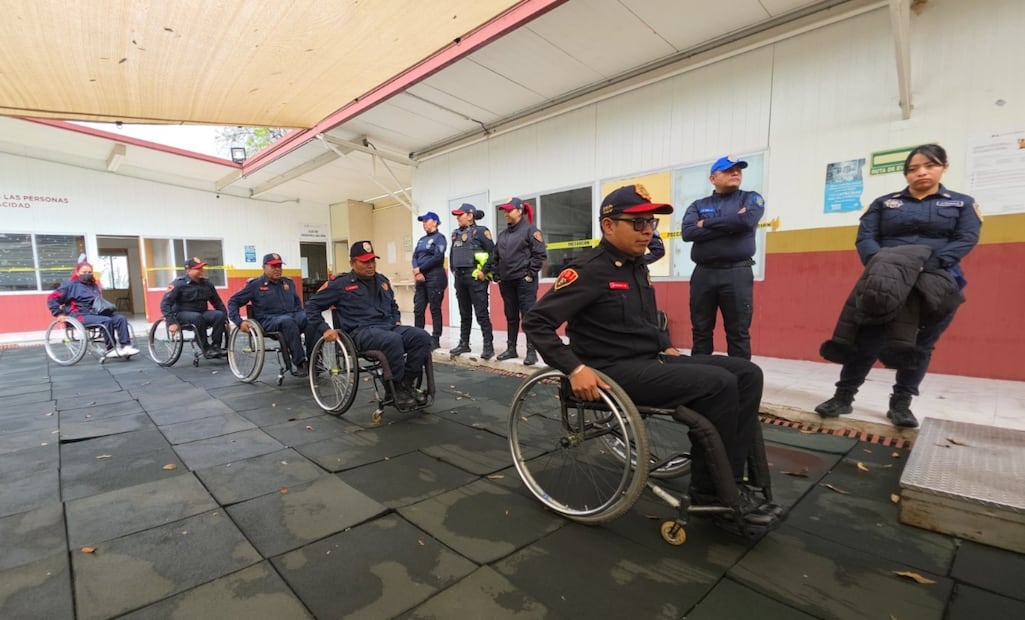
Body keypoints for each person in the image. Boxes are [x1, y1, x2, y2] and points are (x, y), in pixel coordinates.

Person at [523, 184, 781, 532]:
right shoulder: (588, 269)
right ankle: (712, 493)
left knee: (747, 372)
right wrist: (574, 368)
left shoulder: (635, 265)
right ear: (608, 225)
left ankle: (734, 478)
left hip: (647, 359)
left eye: (652, 223)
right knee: (718, 384)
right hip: (609, 371)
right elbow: (537, 322)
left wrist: (665, 343)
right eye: (637, 222)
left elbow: (645, 317)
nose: (648, 230)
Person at [815, 144, 982, 428]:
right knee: (866, 339)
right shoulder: (884, 203)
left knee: (921, 345)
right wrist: (882, 266)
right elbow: (866, 238)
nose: (921, 173)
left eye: (929, 166)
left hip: (936, 281)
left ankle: (901, 404)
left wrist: (926, 266)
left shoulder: (962, 203)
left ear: (944, 167)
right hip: (885, 280)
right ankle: (843, 397)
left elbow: (966, 238)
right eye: (913, 168)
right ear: (906, 173)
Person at [305, 241, 432, 409]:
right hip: (361, 331)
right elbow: (311, 306)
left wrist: (396, 318)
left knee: (421, 337)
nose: (370, 265)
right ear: (352, 263)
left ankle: (405, 384)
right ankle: (393, 388)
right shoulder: (340, 284)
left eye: (372, 260)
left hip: (388, 327)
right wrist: (325, 329)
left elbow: (392, 305)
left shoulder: (382, 281)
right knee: (392, 340)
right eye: (365, 261)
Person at [681, 155, 765, 359]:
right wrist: (731, 225)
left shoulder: (751, 198)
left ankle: (741, 382)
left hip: (737, 273)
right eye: (728, 170)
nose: (735, 173)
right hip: (704, 274)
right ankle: (701, 379)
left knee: (738, 333)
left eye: (738, 170)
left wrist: (706, 223)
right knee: (701, 331)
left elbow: (746, 221)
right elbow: (688, 233)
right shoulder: (698, 205)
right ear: (712, 178)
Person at [228, 252, 308, 377]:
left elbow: (298, 305)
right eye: (273, 266)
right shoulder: (255, 285)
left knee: (311, 319)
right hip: (268, 320)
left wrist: (302, 315)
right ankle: (300, 363)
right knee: (288, 322)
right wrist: (239, 322)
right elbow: (233, 302)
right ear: (264, 267)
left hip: (290, 316)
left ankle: (315, 358)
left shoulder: (288, 283)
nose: (277, 269)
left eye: (279, 266)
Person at [46, 261, 140, 358]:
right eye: (84, 272)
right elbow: (52, 298)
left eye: (89, 272)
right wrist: (58, 314)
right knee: (106, 321)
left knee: (120, 319)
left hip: (95, 313)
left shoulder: (93, 285)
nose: (87, 274)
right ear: (77, 272)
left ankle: (126, 346)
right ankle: (110, 349)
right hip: (79, 315)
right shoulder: (70, 286)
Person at [493, 198, 547, 366]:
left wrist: (530, 274)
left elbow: (539, 254)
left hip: (524, 281)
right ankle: (511, 348)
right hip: (507, 281)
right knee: (511, 316)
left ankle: (532, 351)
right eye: (505, 211)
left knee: (528, 316)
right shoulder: (503, 235)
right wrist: (497, 275)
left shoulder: (531, 231)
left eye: (509, 210)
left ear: (519, 210)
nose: (506, 214)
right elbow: (495, 257)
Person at [448, 203, 496, 359]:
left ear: (470, 215)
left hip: (476, 278)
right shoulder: (456, 234)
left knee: (481, 313)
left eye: (460, 215)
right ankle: (464, 344)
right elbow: (452, 253)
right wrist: (453, 270)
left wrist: (484, 271)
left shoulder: (481, 231)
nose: (457, 218)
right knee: (464, 313)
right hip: (460, 278)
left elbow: (493, 253)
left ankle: (488, 345)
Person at [160, 257, 228, 359]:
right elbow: (165, 304)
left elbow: (217, 302)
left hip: (201, 312)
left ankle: (216, 346)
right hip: (182, 314)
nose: (201, 270)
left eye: (202, 268)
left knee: (219, 315)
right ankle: (205, 348)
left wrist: (225, 319)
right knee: (197, 318)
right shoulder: (178, 284)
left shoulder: (207, 284)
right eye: (198, 269)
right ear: (188, 270)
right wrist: (171, 322)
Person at [411, 211, 448, 350]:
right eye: (422, 221)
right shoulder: (421, 240)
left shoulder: (440, 238)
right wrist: (416, 269)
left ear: (435, 222)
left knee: (435, 309)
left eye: (426, 221)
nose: (424, 224)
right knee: (418, 309)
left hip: (435, 277)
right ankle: (417, 336)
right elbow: (414, 256)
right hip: (420, 279)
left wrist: (420, 269)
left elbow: (438, 257)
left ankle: (435, 338)